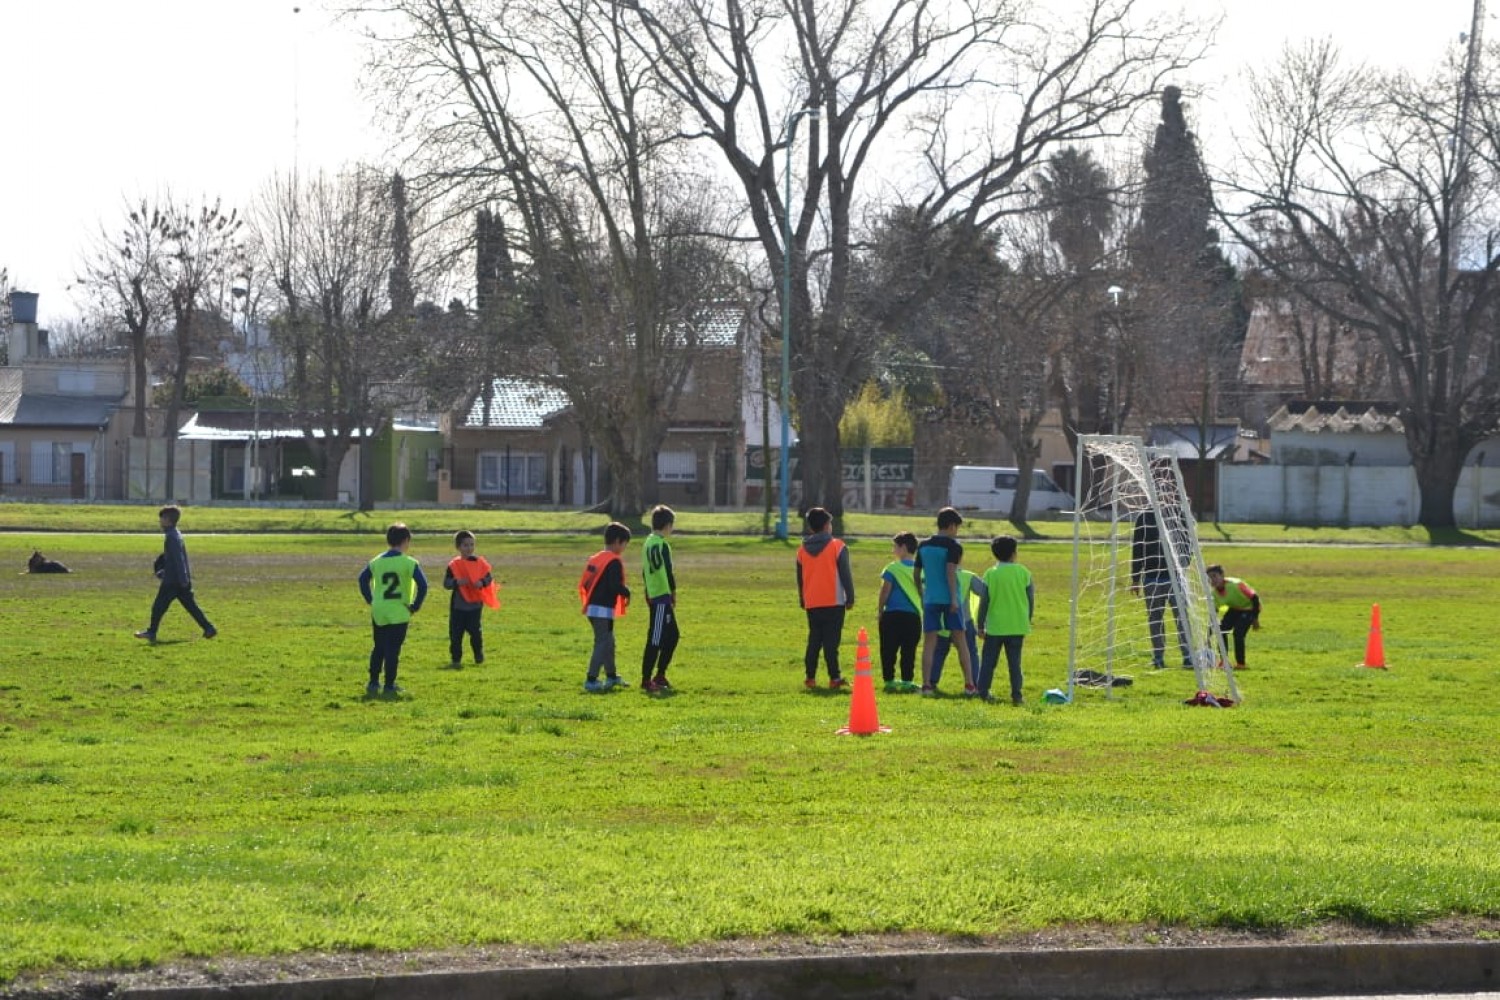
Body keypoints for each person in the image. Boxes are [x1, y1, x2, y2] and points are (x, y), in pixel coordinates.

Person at [358, 522, 428, 697]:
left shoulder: (376, 562)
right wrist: (416, 605)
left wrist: (370, 599)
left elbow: (362, 579)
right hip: (399, 611)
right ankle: (389, 685)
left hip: (379, 610)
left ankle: (373, 682)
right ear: (406, 541)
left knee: (379, 647)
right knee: (393, 650)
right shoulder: (409, 562)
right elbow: (423, 585)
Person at [914, 506, 977, 696]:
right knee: (961, 643)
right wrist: (953, 599)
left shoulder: (923, 546)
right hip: (950, 600)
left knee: (929, 643)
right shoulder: (953, 546)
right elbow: (950, 572)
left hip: (930, 599)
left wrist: (921, 594)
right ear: (951, 526)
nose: (956, 532)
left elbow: (916, 573)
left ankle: (926, 685)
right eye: (956, 528)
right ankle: (969, 685)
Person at [134, 505, 217, 644]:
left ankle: (151, 632)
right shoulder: (175, 533)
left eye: (161, 519)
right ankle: (209, 628)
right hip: (179, 579)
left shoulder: (171, 536)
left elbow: (178, 559)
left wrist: (181, 578)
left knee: (158, 607)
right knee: (191, 606)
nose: (160, 522)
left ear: (167, 520)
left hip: (173, 581)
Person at [795, 506, 855, 690]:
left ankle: (810, 677)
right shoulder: (837, 546)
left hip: (813, 601)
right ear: (827, 525)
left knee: (814, 639)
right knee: (831, 642)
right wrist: (850, 596)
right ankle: (834, 677)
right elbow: (845, 573)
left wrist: (802, 598)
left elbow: (800, 578)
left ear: (811, 528)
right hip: (833, 601)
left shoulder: (802, 550)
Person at [1130, 509, 1192, 669]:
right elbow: (1137, 547)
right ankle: (1158, 657)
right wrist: (1135, 578)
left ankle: (1188, 656)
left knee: (1182, 618)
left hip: (1176, 579)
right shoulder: (1143, 517)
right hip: (1151, 579)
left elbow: (1188, 541)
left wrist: (1184, 564)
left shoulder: (1178, 513)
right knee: (1155, 619)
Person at [976, 535, 1034, 705]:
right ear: (1014, 553)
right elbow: (1031, 599)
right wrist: (1027, 619)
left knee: (988, 662)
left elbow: (984, 602)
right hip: (1017, 626)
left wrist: (980, 625)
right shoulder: (1024, 572)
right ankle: (1017, 695)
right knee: (1015, 663)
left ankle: (983, 691)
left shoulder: (990, 574)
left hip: (995, 627)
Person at [580, 521, 632, 692]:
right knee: (603, 642)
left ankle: (611, 676)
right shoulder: (613, 562)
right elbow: (614, 585)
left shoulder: (596, 558)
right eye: (624, 544)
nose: (624, 548)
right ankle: (591, 679)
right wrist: (626, 592)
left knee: (609, 642)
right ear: (618, 541)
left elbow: (586, 582)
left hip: (592, 608)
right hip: (603, 610)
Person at [443, 529, 498, 669]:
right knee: (456, 635)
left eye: (471, 544)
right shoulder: (454, 565)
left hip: (475, 606)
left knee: (475, 632)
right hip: (458, 606)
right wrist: (457, 582)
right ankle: (456, 659)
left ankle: (478, 655)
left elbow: (488, 577)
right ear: (458, 547)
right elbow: (446, 583)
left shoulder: (480, 563)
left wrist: (482, 583)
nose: (469, 548)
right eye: (465, 545)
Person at [640, 505, 680, 692]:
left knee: (673, 635)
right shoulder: (662, 545)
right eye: (672, 525)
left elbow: (644, 570)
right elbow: (667, 572)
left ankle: (660, 674)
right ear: (667, 525)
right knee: (655, 638)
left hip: (654, 593)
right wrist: (672, 592)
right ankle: (647, 680)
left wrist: (646, 589)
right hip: (660, 596)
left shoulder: (647, 542)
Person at [875, 532, 922, 693]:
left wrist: (880, 610)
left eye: (895, 546)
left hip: (892, 616)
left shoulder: (893, 568)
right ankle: (907, 680)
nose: (893, 550)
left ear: (903, 548)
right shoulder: (921, 570)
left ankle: (889, 680)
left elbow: (885, 591)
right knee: (909, 650)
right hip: (913, 616)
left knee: (888, 649)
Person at [929, 560, 984, 693]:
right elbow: (985, 592)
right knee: (970, 653)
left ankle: (931, 681)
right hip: (964, 621)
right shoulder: (968, 576)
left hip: (942, 623)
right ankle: (973, 683)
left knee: (938, 653)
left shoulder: (936, 577)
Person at [1207, 564, 1261, 670]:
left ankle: (1241, 664)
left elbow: (1254, 598)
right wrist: (1208, 634)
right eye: (1209, 578)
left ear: (1222, 575)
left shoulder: (1236, 584)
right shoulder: (1214, 594)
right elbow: (1214, 613)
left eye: (1214, 576)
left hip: (1249, 608)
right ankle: (1224, 661)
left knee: (1238, 633)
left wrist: (1255, 619)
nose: (1212, 580)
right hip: (1235, 609)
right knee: (1221, 630)